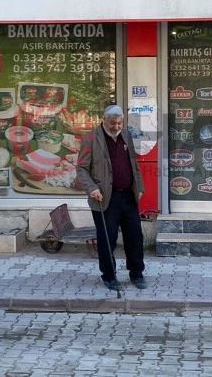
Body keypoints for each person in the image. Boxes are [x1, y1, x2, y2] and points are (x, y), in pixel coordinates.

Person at [76, 104, 147, 291]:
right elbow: (81, 168)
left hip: (128, 196)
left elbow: (134, 165)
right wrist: (91, 188)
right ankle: (109, 276)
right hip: (104, 197)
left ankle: (136, 274)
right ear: (104, 120)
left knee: (135, 236)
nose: (116, 127)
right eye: (113, 123)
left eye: (119, 123)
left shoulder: (126, 136)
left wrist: (139, 186)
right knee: (108, 238)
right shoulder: (90, 138)